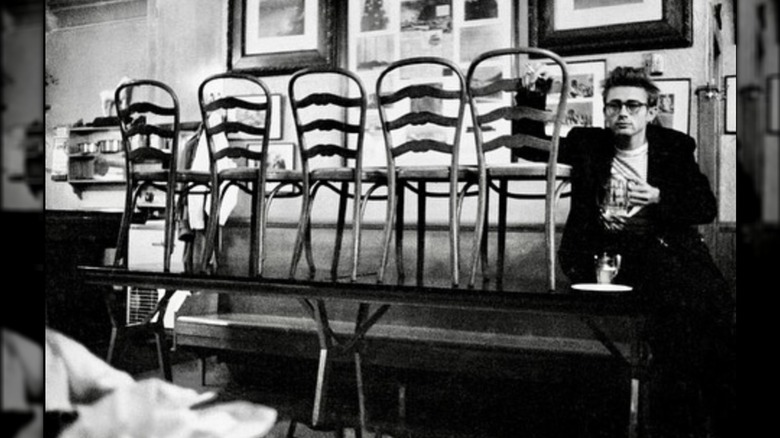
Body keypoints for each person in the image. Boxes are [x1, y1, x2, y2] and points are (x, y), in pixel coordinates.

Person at [557, 67, 735, 438]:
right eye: (614, 105)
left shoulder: (674, 147)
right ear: (604, 111)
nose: (623, 113)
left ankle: (696, 414)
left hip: (665, 253)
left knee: (708, 306)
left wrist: (659, 198)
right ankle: (678, 413)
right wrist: (531, 92)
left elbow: (705, 207)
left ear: (651, 112)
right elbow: (526, 146)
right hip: (608, 256)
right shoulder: (587, 143)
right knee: (680, 313)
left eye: (633, 106)